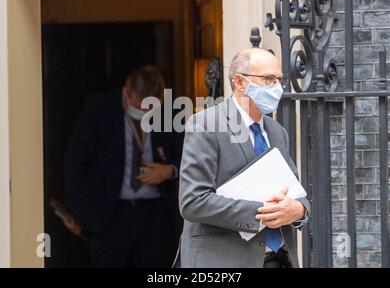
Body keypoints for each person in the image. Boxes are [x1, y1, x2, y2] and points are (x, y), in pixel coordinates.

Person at [175, 48, 310, 268]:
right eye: (268, 79)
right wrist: (263, 212)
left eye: (279, 80)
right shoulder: (206, 125)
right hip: (224, 262)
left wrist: (298, 210)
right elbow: (192, 201)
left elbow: (297, 193)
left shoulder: (277, 131)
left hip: (281, 259)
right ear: (240, 82)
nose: (277, 87)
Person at [64, 65, 183, 268]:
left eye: (149, 111)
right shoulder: (99, 108)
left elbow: (187, 155)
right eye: (138, 108)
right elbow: (75, 162)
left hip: (155, 214)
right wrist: (79, 215)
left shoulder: (172, 111)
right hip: (110, 214)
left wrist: (170, 171)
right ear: (126, 91)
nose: (143, 114)